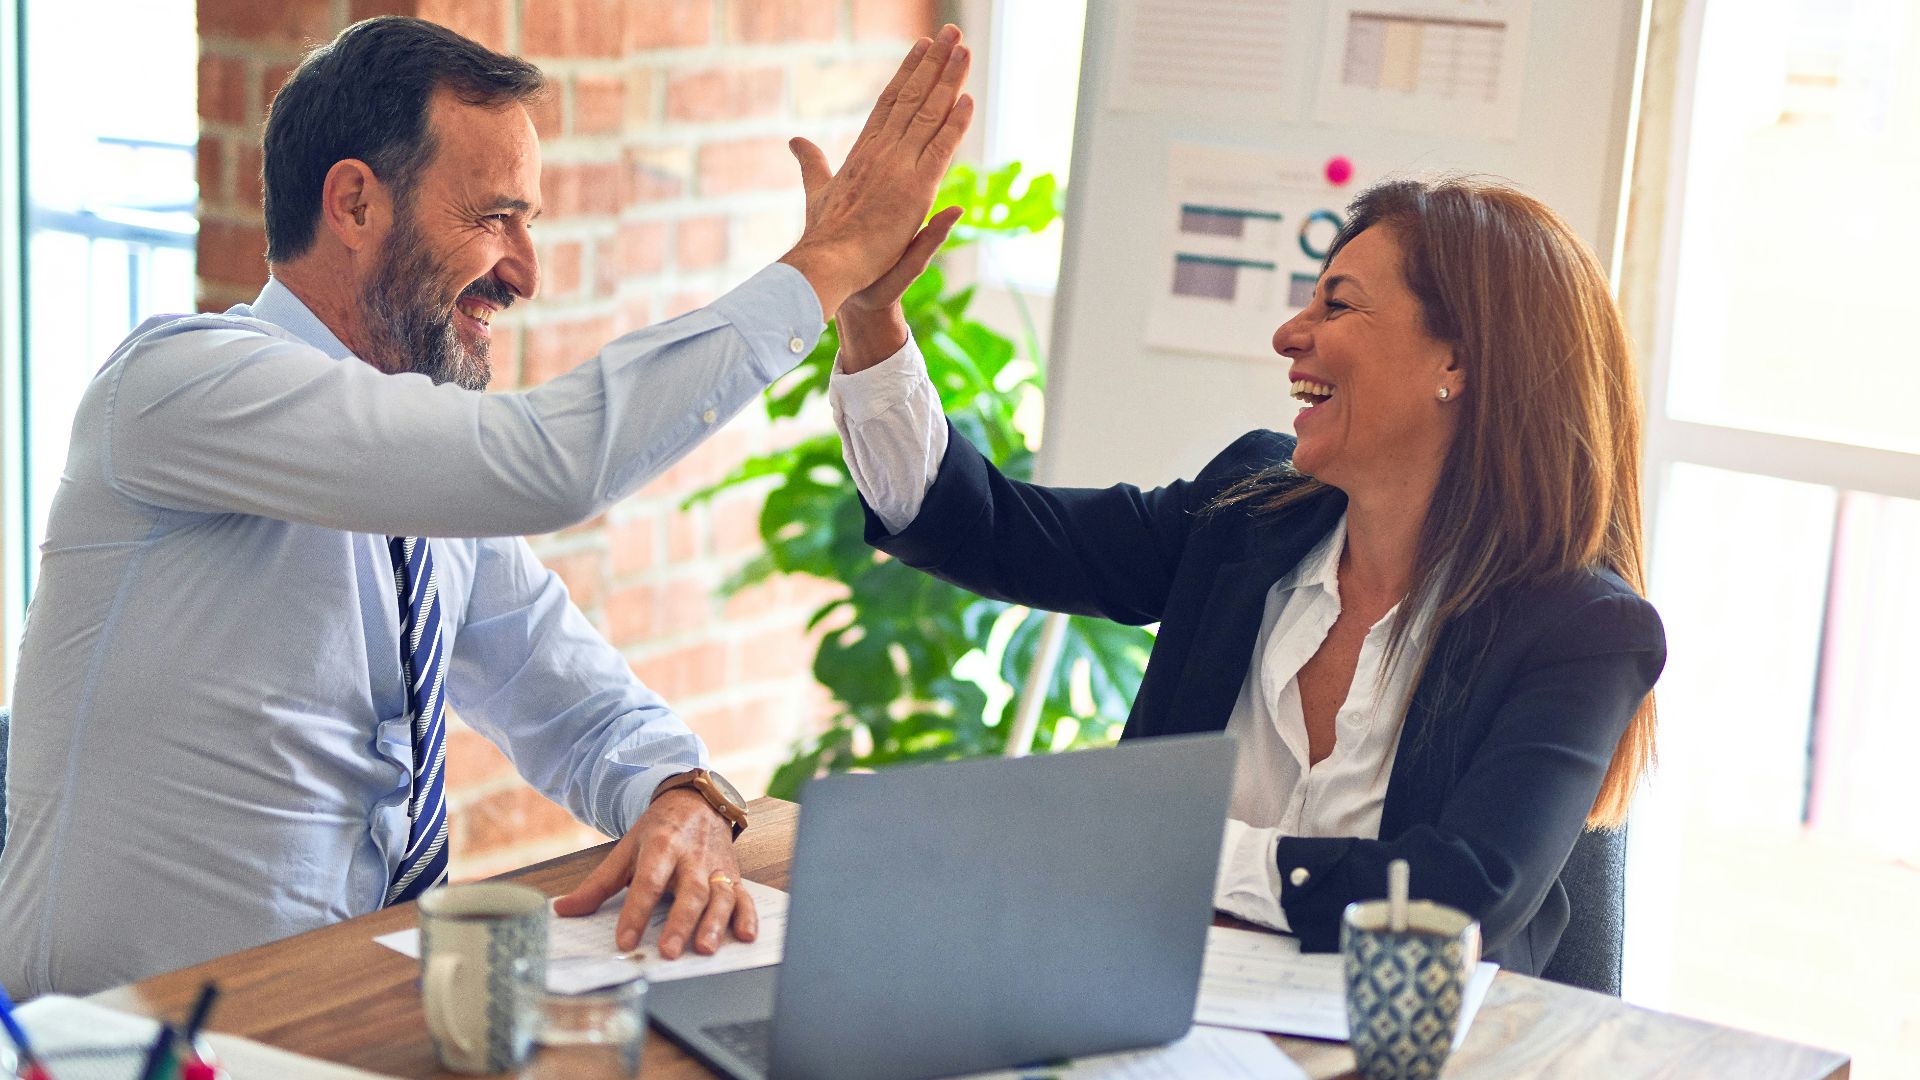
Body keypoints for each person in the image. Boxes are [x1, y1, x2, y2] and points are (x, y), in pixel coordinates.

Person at [0, 16, 974, 996]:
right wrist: (828, 264)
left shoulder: (417, 488)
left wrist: (682, 795)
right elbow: (552, 463)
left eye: (531, 223)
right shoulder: (183, 385)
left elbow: (581, 706)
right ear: (353, 204)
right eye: (493, 217)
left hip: (338, 1021)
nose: (526, 273)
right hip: (123, 1042)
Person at [824, 177, 1666, 974]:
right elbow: (988, 530)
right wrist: (870, 317)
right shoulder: (1248, 513)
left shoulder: (1583, 630)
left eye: (1336, 304)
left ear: (1458, 363)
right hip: (1154, 1013)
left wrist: (1171, 849)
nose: (1289, 334)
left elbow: (1455, 901)